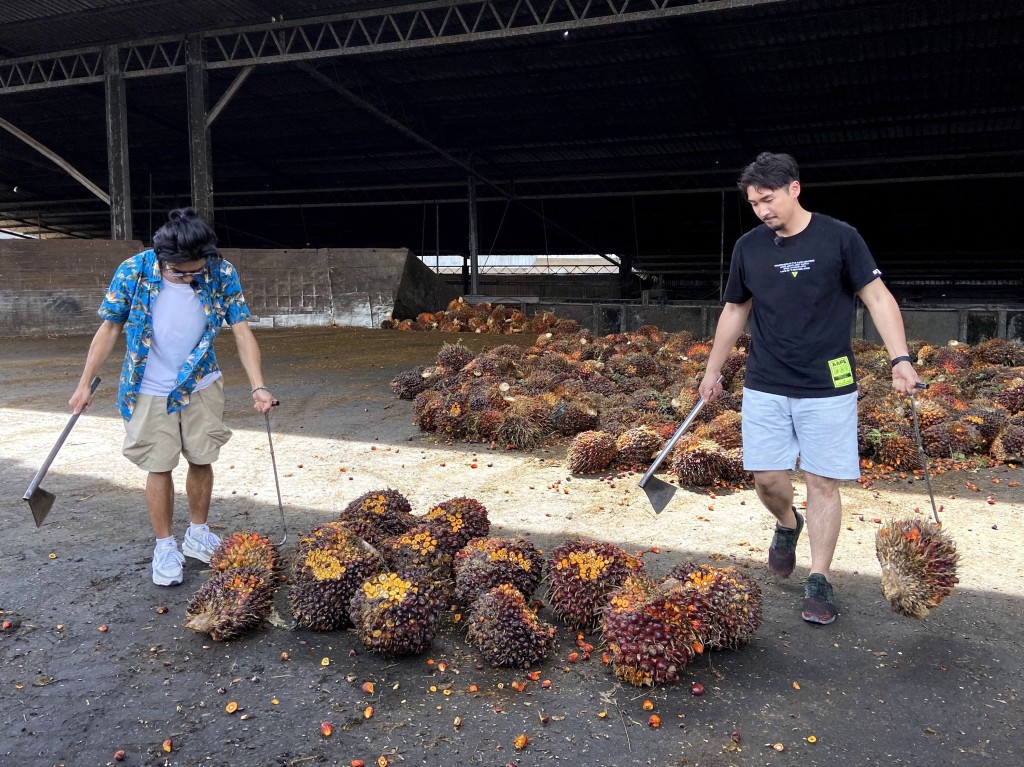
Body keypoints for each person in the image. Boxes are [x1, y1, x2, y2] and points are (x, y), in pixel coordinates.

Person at [698, 152, 921, 625]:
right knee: (766, 478)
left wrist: (900, 358)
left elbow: (877, 297)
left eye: (768, 199)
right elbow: (735, 309)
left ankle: (819, 578)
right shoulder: (748, 248)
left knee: (822, 481)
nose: (762, 210)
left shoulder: (840, 237)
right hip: (766, 382)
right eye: (754, 203)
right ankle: (787, 522)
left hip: (828, 385)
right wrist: (712, 370)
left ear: (794, 188)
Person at [69, 208, 275, 586]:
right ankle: (165, 546)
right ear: (162, 259)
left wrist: (258, 385)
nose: (189, 278)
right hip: (148, 385)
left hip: (201, 381)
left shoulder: (221, 272)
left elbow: (242, 331)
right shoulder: (133, 271)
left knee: (202, 458)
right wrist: (84, 384)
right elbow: (110, 328)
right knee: (159, 465)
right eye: (180, 273)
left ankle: (198, 533)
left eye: (196, 271)